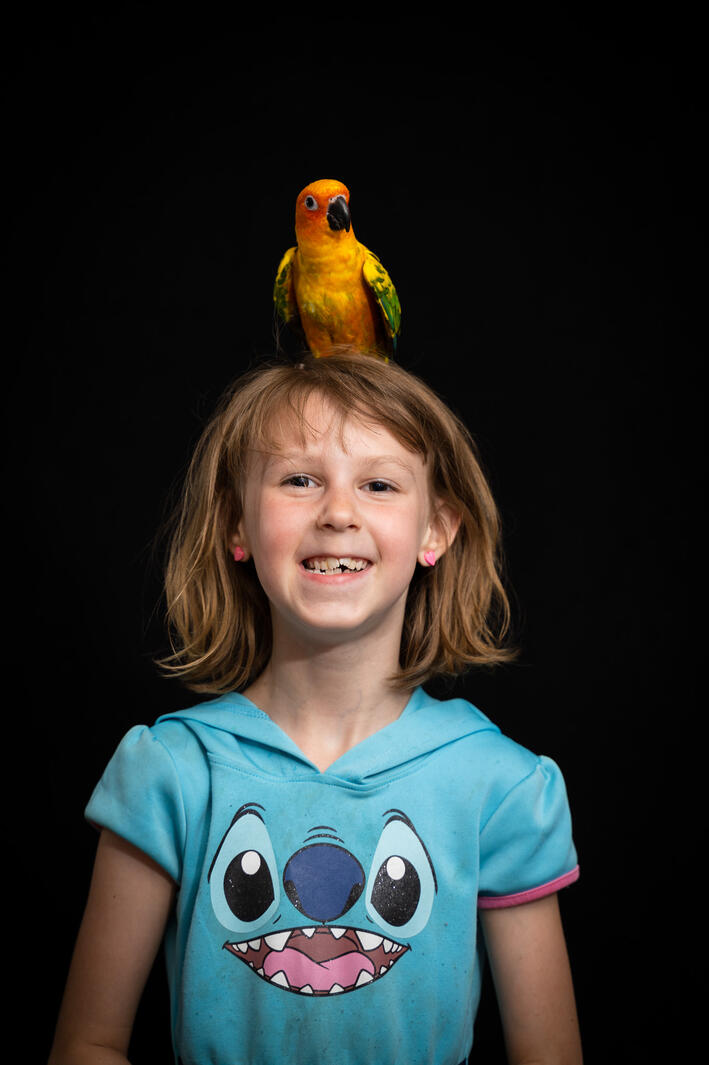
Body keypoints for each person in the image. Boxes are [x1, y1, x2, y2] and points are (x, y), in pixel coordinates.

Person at [48, 350, 582, 1064]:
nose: (337, 512)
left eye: (379, 483)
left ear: (437, 531)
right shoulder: (171, 772)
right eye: (299, 479)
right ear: (237, 525)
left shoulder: (500, 786)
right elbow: (87, 1042)